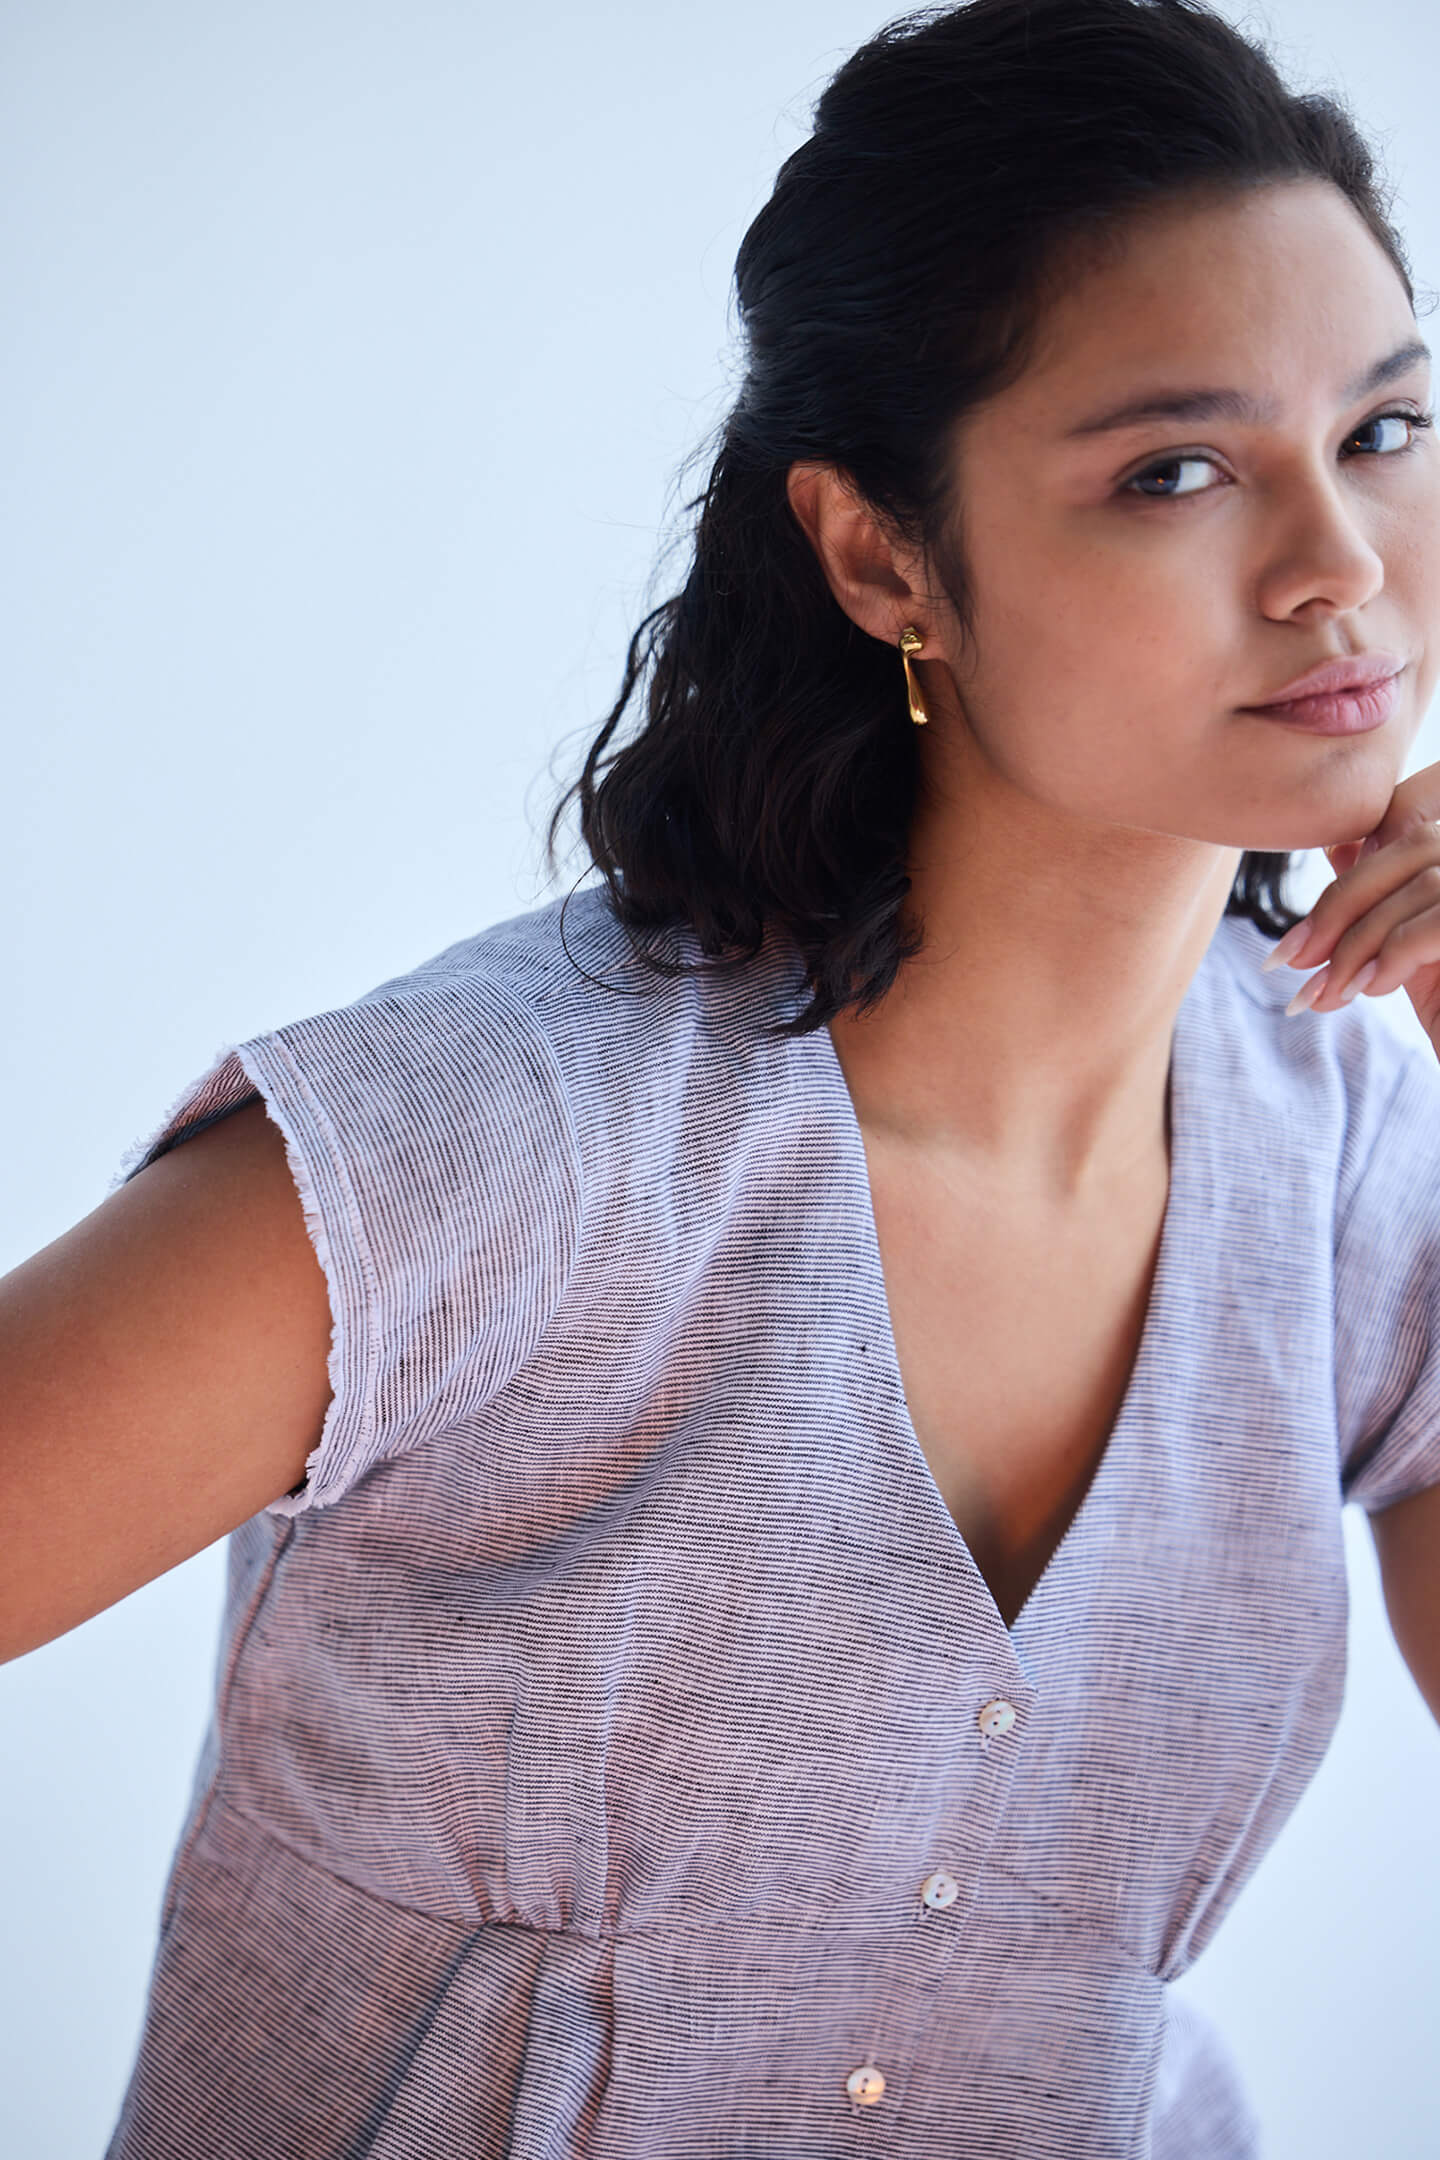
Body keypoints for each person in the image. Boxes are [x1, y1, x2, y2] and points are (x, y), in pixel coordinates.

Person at [5, 0, 1440, 2150]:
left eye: (1388, 431)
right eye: (1177, 469)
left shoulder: (1353, 1156)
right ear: (881, 557)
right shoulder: (509, 1152)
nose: (1339, 567)